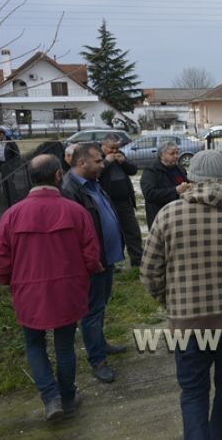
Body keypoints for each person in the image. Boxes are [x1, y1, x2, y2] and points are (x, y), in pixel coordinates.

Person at [141, 150, 222, 440]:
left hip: (187, 322)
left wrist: (170, 301)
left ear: (190, 177)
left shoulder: (169, 214)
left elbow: (149, 273)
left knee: (194, 391)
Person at [0, 155, 100, 421]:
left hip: (28, 291)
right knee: (64, 346)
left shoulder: (12, 215)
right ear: (58, 176)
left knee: (34, 343)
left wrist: (9, 281)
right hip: (68, 290)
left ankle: (51, 399)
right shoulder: (75, 211)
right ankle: (66, 396)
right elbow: (91, 254)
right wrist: (88, 274)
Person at [61, 143, 125, 383]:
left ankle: (100, 342)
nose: (103, 164)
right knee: (91, 311)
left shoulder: (93, 183)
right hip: (92, 263)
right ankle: (97, 360)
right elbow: (75, 234)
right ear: (82, 163)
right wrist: (90, 259)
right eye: (98, 161)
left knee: (100, 306)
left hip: (106, 259)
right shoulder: (70, 190)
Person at [99, 134, 143, 267]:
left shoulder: (120, 155)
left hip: (125, 202)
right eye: (111, 148)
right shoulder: (97, 158)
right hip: (107, 203)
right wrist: (106, 162)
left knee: (132, 231)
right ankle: (114, 263)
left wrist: (124, 162)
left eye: (117, 147)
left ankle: (137, 261)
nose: (114, 151)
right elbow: (95, 174)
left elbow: (133, 171)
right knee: (112, 234)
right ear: (104, 146)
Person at [140, 141, 190, 229]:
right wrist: (175, 191)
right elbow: (149, 194)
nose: (176, 156)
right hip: (160, 218)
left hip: (180, 215)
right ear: (162, 155)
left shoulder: (179, 169)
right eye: (172, 154)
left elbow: (186, 183)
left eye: (177, 153)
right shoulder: (151, 171)